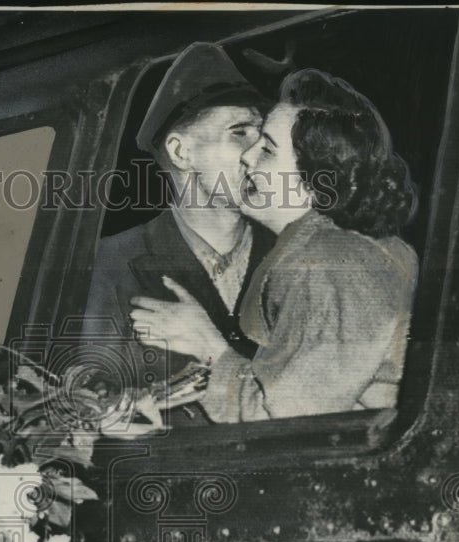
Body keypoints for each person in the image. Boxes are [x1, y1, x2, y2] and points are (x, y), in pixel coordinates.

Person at [130, 68, 419, 422]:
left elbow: (282, 423)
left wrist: (208, 346)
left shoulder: (326, 266)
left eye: (266, 149)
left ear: (314, 181)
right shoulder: (347, 251)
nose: (248, 157)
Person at [82, 43, 280, 404]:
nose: (257, 152)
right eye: (239, 132)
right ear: (180, 152)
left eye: (262, 134)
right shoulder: (107, 266)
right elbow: (85, 411)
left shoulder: (295, 256)